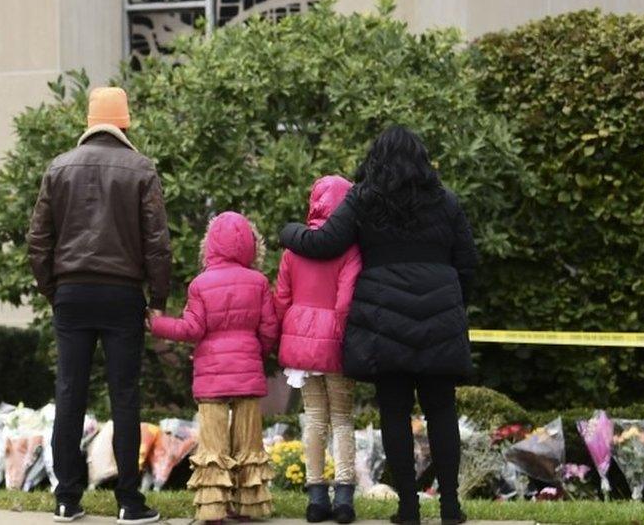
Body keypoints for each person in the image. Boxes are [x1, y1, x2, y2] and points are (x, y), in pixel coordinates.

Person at [279, 126, 478, 525]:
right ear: (422, 161)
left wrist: (289, 232)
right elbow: (468, 263)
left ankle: (408, 508)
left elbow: (324, 244)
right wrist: (452, 303)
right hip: (440, 317)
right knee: (441, 411)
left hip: (385, 321)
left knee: (394, 411)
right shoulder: (445, 202)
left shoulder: (364, 199)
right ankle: (451, 508)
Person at [28, 87, 171, 524]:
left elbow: (38, 241)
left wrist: (53, 290)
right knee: (124, 396)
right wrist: (157, 300)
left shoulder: (59, 168)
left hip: (71, 292)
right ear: (124, 122)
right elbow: (157, 244)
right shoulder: (141, 169)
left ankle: (67, 499)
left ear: (89, 123)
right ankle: (129, 502)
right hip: (123, 294)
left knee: (69, 392)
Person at [149, 211, 279, 524]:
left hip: (211, 379)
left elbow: (192, 329)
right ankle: (247, 505)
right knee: (248, 443)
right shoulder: (259, 282)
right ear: (251, 245)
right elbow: (269, 329)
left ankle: (213, 509)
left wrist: (158, 324)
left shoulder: (200, 284)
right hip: (247, 374)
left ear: (209, 246)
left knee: (213, 444)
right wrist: (255, 352)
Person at [275, 175, 362, 524]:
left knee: (313, 418)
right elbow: (345, 302)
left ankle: (315, 499)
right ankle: (343, 498)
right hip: (336, 344)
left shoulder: (292, 250)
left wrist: (285, 334)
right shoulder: (352, 249)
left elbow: (281, 298)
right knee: (341, 418)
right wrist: (341, 337)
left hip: (299, 343)